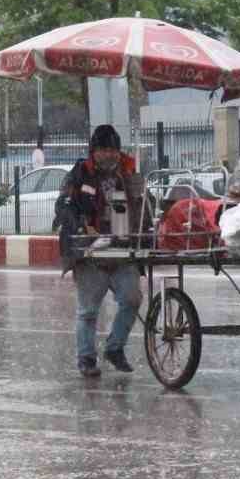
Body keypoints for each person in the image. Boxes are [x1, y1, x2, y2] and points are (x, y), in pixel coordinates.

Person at [55, 124, 144, 378]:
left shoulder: (128, 174)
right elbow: (64, 206)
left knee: (132, 298)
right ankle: (86, 358)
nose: (110, 155)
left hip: (122, 249)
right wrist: (83, 226)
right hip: (89, 252)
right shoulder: (79, 175)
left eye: (114, 150)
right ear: (93, 152)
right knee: (89, 310)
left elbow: (142, 208)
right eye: (104, 150)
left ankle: (115, 348)